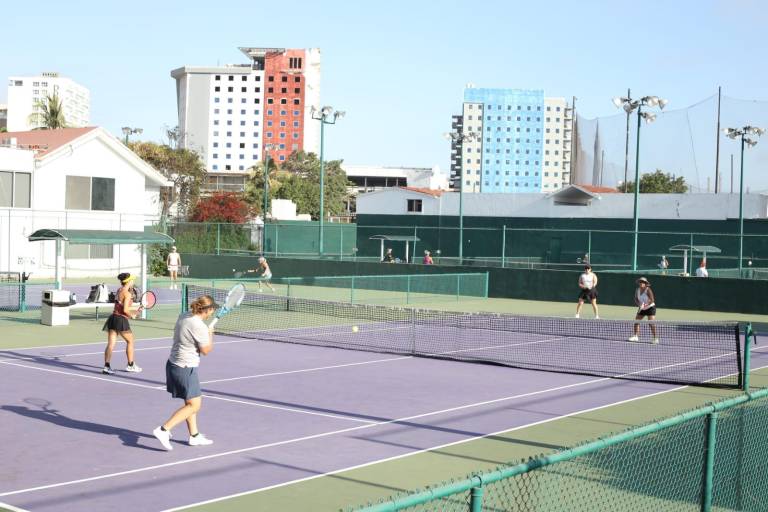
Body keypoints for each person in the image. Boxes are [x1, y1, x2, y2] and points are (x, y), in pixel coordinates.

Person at [153, 295, 217, 450]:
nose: (213, 311)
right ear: (207, 310)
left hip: (173, 364)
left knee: (189, 402)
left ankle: (194, 436)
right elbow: (206, 350)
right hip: (185, 368)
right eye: (212, 308)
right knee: (194, 405)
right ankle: (163, 430)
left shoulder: (184, 315)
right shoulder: (199, 326)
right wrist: (210, 333)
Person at [102, 273, 142, 375]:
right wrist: (132, 315)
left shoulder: (119, 290)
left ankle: (106, 367)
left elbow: (122, 307)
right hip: (120, 320)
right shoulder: (127, 294)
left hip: (113, 318)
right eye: (132, 280)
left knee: (111, 344)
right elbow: (125, 310)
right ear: (128, 281)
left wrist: (136, 311)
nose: (133, 282)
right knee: (130, 341)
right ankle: (131, 365)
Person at [629, 277, 659, 344]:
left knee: (651, 323)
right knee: (636, 321)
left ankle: (655, 338)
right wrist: (639, 305)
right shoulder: (637, 290)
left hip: (650, 308)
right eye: (640, 282)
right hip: (642, 308)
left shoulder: (648, 290)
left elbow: (652, 300)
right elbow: (636, 298)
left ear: (645, 284)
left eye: (643, 282)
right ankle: (635, 336)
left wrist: (645, 305)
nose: (641, 283)